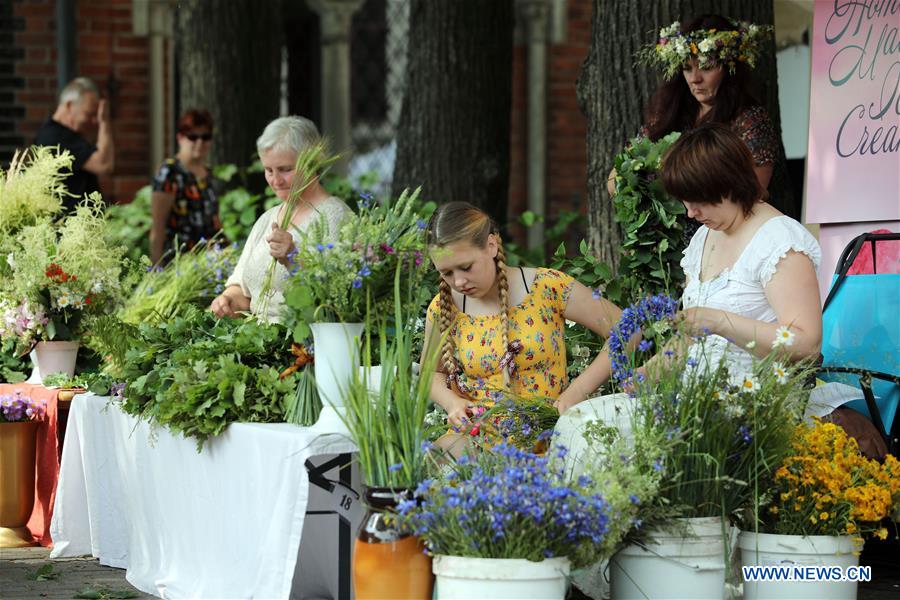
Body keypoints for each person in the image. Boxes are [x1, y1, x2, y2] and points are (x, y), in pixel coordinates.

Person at [422, 201, 623, 442]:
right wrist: (453, 402)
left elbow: (626, 329)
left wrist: (577, 391)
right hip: (479, 440)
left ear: (491, 245)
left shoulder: (546, 287)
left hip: (548, 435)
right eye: (447, 273)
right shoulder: (446, 306)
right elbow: (430, 373)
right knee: (444, 449)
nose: (459, 282)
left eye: (466, 267)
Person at [655, 122, 821, 375]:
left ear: (728, 184)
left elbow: (807, 345)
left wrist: (720, 322)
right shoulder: (703, 238)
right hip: (700, 398)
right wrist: (645, 375)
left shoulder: (779, 241)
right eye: (685, 202)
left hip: (762, 399)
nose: (690, 213)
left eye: (699, 200)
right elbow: (690, 337)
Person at [608, 15, 781, 228]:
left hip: (719, 233)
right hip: (661, 237)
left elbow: (754, 192)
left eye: (706, 67)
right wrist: (652, 203)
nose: (694, 78)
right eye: (687, 68)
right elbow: (615, 178)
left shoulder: (749, 120)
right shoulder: (667, 115)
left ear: (730, 68)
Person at [210, 116, 351, 323]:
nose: (275, 181)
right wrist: (227, 301)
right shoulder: (267, 219)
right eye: (269, 170)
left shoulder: (335, 217)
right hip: (258, 340)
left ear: (313, 160)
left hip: (304, 346)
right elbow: (242, 289)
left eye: (285, 169)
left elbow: (338, 298)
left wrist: (293, 258)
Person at [149, 109, 221, 264]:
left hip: (209, 261)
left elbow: (214, 220)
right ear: (180, 138)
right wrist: (155, 267)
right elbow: (158, 224)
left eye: (205, 137)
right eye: (193, 137)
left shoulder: (208, 174)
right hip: (178, 261)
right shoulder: (169, 172)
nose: (200, 142)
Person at [35, 77, 114, 212]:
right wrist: (104, 121)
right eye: (89, 114)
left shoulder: (65, 134)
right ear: (70, 106)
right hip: (70, 226)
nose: (94, 121)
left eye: (96, 115)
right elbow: (104, 165)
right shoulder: (56, 136)